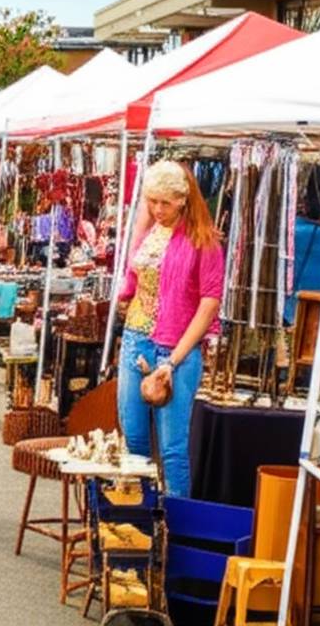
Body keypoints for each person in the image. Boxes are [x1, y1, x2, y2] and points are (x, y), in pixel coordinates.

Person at [117, 160, 224, 498]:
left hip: (175, 347)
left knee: (173, 450)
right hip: (136, 339)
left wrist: (173, 360)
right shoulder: (147, 231)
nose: (158, 209)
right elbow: (132, 273)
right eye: (152, 201)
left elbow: (210, 304)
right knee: (134, 440)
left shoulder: (204, 242)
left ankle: (174, 532)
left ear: (183, 199)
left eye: (165, 202)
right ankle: (140, 524)